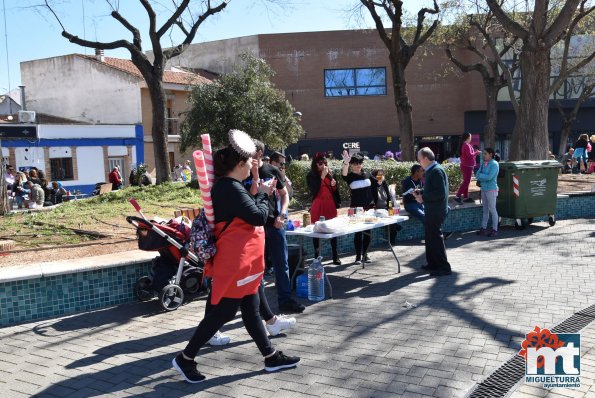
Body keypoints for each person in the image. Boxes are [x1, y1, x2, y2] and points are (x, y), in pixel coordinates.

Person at [172, 132, 300, 384]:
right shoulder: (228, 188)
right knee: (223, 312)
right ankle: (185, 358)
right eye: (249, 163)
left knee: (251, 308)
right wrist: (263, 193)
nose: (253, 166)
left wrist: (258, 190)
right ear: (239, 165)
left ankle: (270, 356)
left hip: (242, 260)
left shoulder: (227, 187)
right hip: (236, 261)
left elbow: (248, 212)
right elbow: (257, 216)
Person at [246, 141, 305, 314]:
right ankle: (259, 307)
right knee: (257, 268)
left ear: (258, 152)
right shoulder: (243, 171)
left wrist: (283, 214)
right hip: (254, 227)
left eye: (249, 152)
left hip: (275, 224)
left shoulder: (272, 171)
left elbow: (284, 194)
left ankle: (285, 301)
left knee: (282, 265)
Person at [413, 147, 452, 277]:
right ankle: (433, 264)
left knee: (435, 238)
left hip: (436, 210)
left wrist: (423, 197)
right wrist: (422, 193)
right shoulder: (433, 170)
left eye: (419, 159)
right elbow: (435, 190)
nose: (419, 162)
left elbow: (440, 193)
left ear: (425, 158)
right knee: (430, 238)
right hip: (433, 209)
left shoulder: (436, 171)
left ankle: (443, 267)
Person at [307, 152, 341, 265]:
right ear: (315, 164)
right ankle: (316, 257)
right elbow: (314, 190)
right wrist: (322, 177)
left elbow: (335, 191)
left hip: (330, 204)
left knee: (332, 228)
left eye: (325, 163)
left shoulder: (331, 173)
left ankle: (335, 256)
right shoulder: (311, 176)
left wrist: (334, 185)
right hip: (318, 204)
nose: (323, 165)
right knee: (316, 230)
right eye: (320, 163)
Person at [341, 150, 374, 263]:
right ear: (351, 165)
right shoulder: (350, 176)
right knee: (358, 232)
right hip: (356, 208)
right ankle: (358, 256)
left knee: (368, 232)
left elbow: (378, 183)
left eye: (360, 163)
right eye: (355, 163)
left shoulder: (367, 174)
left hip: (369, 207)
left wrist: (382, 178)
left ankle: (365, 255)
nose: (358, 165)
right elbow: (343, 174)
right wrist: (345, 162)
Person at [371, 168, 400, 244]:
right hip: (377, 209)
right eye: (379, 175)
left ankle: (393, 238)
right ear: (375, 177)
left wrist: (390, 209)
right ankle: (395, 228)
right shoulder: (372, 185)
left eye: (382, 175)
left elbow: (389, 199)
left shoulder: (384, 183)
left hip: (386, 208)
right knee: (391, 222)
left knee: (391, 218)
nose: (381, 177)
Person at [476, 148, 500, 237]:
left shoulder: (494, 164)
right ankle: (483, 228)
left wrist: (481, 176)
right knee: (485, 209)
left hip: (491, 189)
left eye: (485, 154)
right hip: (484, 189)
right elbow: (477, 174)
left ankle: (495, 229)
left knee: (492, 209)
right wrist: (483, 176)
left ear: (490, 154)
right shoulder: (483, 164)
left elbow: (489, 177)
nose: (483, 155)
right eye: (483, 154)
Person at [455, 133, 481, 204]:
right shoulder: (466, 145)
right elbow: (469, 155)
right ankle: (457, 196)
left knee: (466, 182)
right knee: (466, 182)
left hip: (467, 165)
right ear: (467, 137)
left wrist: (475, 153)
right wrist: (476, 153)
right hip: (467, 166)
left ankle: (466, 197)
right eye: (470, 137)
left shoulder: (466, 145)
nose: (471, 138)